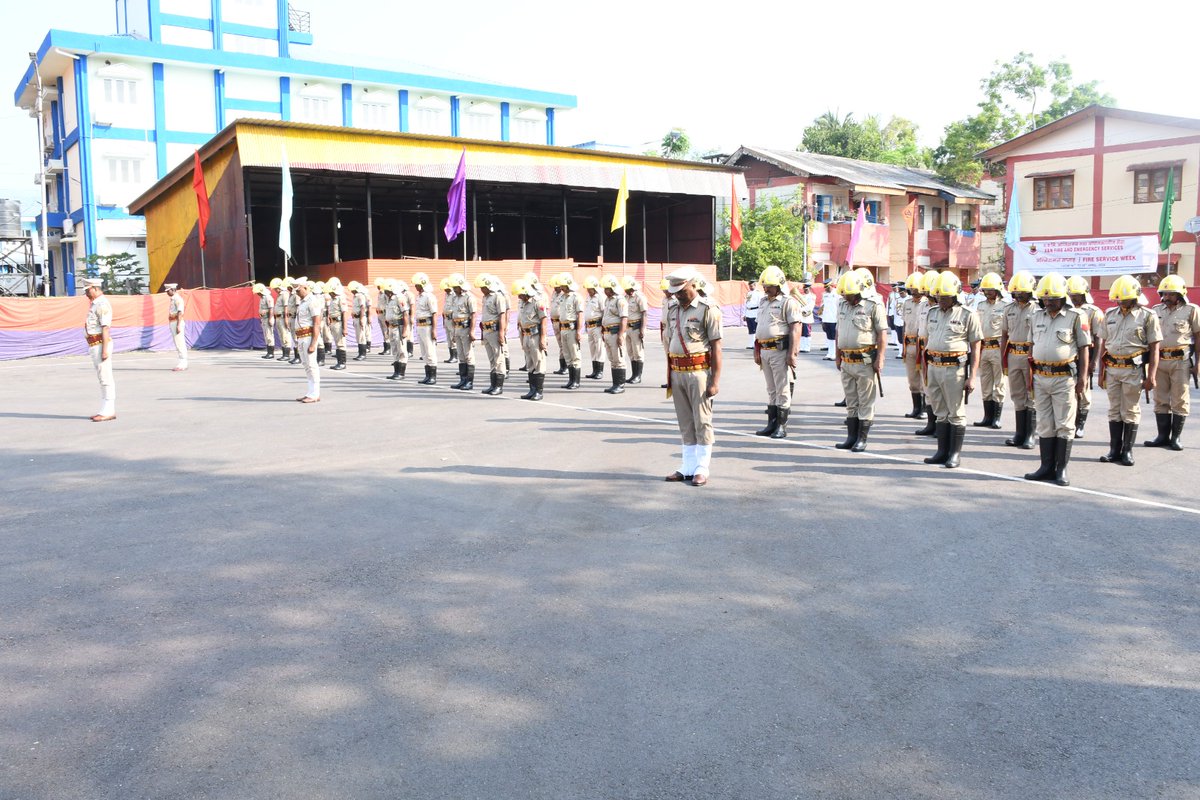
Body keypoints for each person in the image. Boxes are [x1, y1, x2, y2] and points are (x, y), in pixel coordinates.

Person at [1023, 273, 1090, 486]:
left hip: (1064, 378)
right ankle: (1045, 467)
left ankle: (1060, 469)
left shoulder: (1076, 316)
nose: (1048, 302)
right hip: (1041, 376)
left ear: (1063, 298)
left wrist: (1082, 378)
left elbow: (1083, 348)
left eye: (1052, 298)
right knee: (1045, 423)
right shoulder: (1036, 317)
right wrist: (1029, 375)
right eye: (1045, 298)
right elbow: (1031, 347)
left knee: (1064, 424)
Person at [662, 266, 723, 487]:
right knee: (685, 422)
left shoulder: (709, 308)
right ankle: (687, 466)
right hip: (677, 372)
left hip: (699, 373)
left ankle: (702, 468)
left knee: (702, 421)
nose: (677, 294)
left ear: (694, 284)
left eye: (681, 290)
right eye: (675, 291)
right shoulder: (673, 309)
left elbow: (717, 347)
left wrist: (715, 381)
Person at [1097, 274, 1161, 466]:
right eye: (1118, 299)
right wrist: (1101, 373)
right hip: (1112, 369)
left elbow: (1155, 348)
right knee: (1114, 410)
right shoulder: (1109, 315)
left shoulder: (1148, 316)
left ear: (1134, 297)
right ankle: (1114, 450)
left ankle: (1127, 451)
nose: (1121, 302)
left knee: (1130, 410)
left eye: (1124, 299)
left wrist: (1151, 376)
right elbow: (1103, 345)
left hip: (1133, 370)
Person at [921, 271, 982, 469]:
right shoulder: (932, 312)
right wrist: (925, 369)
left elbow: (976, 345)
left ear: (955, 295)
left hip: (955, 368)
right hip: (934, 367)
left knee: (955, 412)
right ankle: (942, 451)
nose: (941, 300)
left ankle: (954, 454)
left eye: (945, 297)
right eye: (938, 297)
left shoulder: (967, 314)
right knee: (940, 411)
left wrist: (972, 376)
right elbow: (925, 342)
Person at [834, 271, 888, 452]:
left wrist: (880, 358)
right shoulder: (842, 304)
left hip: (865, 361)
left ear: (858, 292)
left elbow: (882, 333)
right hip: (847, 360)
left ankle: (862, 439)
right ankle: (851, 437)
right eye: (843, 294)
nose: (845, 297)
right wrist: (837, 354)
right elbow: (838, 330)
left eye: (848, 294)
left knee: (865, 401)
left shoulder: (873, 305)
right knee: (851, 401)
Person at [1145, 274, 1200, 450]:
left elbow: (1198, 338)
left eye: (1171, 294)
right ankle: (1162, 436)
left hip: (1180, 361)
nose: (1167, 297)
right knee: (1160, 399)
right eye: (1165, 293)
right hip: (1160, 361)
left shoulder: (1192, 310)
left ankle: (1175, 437)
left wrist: (1198, 363)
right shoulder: (1156, 310)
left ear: (1181, 294)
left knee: (1179, 399)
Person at [753, 265, 802, 439]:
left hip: (780, 350)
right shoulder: (763, 301)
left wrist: (792, 353)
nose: (765, 289)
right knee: (771, 389)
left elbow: (795, 328)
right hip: (765, 349)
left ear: (779, 285)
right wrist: (756, 348)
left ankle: (781, 426)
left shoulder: (788, 302)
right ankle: (771, 424)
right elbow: (760, 326)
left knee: (782, 389)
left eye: (769, 286)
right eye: (765, 286)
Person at [1000, 271, 1038, 449]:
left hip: (1031, 355)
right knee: (1017, 395)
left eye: (1021, 292)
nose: (1017, 295)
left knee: (1032, 395)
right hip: (1013, 354)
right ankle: (1019, 433)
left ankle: (1030, 435)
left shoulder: (1038, 309)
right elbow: (1004, 334)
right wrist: (1002, 358)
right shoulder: (1009, 309)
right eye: (1015, 292)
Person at [1066, 275, 1104, 438]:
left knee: (1083, 391)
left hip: (1085, 355)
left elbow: (1099, 337)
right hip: (1069, 355)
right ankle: (1069, 422)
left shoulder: (1093, 312)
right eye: (1071, 295)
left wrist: (1094, 361)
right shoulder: (1065, 309)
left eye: (1077, 295)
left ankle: (1080, 424)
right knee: (1068, 391)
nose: (1074, 298)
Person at [972, 273, 1008, 429]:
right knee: (985, 383)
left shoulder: (1005, 306)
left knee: (999, 383)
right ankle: (987, 417)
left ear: (998, 289)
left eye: (990, 290)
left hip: (998, 347)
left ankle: (997, 418)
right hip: (984, 348)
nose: (987, 292)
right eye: (985, 290)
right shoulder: (980, 306)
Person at [82, 278, 116, 421]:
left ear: (95, 288)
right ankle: (105, 408)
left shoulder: (102, 304)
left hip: (101, 343)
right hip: (95, 343)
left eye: (88, 290)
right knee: (102, 377)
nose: (86, 294)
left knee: (105, 376)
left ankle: (108, 410)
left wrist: (105, 350)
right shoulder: (95, 304)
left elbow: (105, 327)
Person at [899, 272, 927, 420]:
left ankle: (923, 408)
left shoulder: (926, 304)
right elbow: (904, 324)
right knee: (912, 379)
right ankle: (916, 408)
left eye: (916, 290)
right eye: (912, 291)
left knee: (923, 378)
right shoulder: (907, 303)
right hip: (909, 344)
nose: (914, 293)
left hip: (922, 345)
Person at [515, 280, 548, 401]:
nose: (519, 296)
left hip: (536, 335)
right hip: (526, 335)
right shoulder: (523, 303)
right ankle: (532, 390)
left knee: (538, 362)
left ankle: (539, 391)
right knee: (530, 364)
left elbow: (544, 320)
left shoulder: (537, 302)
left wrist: (543, 338)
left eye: (520, 294)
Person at [477, 274, 510, 395]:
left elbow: (502, 315)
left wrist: (502, 332)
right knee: (491, 359)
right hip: (486, 330)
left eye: (483, 287)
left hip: (495, 330)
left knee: (498, 358)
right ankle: (493, 384)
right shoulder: (485, 298)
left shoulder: (498, 296)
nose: (481, 289)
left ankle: (499, 386)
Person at [292, 277, 322, 403]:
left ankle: (315, 394)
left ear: (305, 288)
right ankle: (310, 392)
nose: (297, 294)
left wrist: (314, 343)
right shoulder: (303, 302)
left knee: (312, 365)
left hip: (308, 336)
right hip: (301, 337)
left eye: (298, 291)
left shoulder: (312, 301)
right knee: (306, 366)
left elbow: (316, 323)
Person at [447, 273, 477, 390]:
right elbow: (454, 316)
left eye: (456, 287)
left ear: (461, 286)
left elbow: (474, 315)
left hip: (465, 328)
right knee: (461, 355)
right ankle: (463, 380)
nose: (454, 289)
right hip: (457, 328)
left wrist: (472, 331)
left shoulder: (469, 297)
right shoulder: (455, 298)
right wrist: (454, 332)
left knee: (468, 355)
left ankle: (469, 382)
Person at [600, 274, 629, 394]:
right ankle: (615, 384)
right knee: (612, 359)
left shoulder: (620, 300)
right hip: (607, 332)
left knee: (618, 359)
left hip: (615, 333)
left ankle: (620, 385)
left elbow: (624, 318)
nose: (604, 290)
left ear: (612, 288)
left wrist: (621, 335)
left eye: (606, 288)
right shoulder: (607, 300)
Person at [556, 272, 584, 389]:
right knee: (567, 355)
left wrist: (578, 331)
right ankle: (571, 380)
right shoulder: (561, 297)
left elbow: (580, 315)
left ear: (567, 285)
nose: (560, 288)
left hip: (572, 329)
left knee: (575, 355)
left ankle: (576, 381)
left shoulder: (576, 297)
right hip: (563, 328)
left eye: (562, 285)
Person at [411, 272, 439, 384]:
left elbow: (434, 313)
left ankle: (432, 376)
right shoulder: (419, 297)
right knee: (424, 352)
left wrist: (434, 329)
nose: (415, 286)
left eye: (416, 284)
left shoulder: (429, 296)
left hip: (427, 326)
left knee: (430, 351)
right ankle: (428, 375)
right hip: (420, 325)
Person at [622, 276, 648, 384]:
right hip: (628, 328)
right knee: (631, 352)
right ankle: (633, 375)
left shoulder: (639, 297)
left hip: (637, 327)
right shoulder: (625, 297)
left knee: (638, 352)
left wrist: (642, 329)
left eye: (629, 289)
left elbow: (644, 313)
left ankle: (638, 376)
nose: (628, 291)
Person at [383, 280, 410, 380]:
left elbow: (405, 314)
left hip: (399, 327)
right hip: (391, 327)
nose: (385, 292)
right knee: (394, 350)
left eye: (386, 290)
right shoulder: (389, 300)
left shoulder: (400, 298)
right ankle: (396, 371)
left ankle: (401, 373)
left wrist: (405, 330)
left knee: (401, 350)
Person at [583, 276, 606, 380]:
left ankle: (600, 371)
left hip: (598, 325)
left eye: (590, 289)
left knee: (600, 348)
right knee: (592, 348)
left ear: (595, 288)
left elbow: (604, 312)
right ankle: (594, 370)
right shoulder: (588, 297)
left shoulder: (600, 297)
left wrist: (603, 326)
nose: (588, 291)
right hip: (589, 326)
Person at [324, 277, 349, 370]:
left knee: (341, 343)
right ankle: (339, 362)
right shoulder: (332, 299)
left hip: (339, 323)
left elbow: (344, 313)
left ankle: (342, 363)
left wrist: (345, 328)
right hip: (333, 322)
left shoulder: (340, 298)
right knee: (337, 343)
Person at [164, 283, 188, 371]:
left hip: (177, 322)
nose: (167, 292)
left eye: (168, 290)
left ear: (173, 289)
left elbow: (180, 312)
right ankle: (183, 362)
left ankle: (183, 363)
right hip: (173, 322)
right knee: (178, 342)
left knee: (179, 342)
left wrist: (178, 325)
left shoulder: (178, 299)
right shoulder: (173, 299)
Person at [791, 279, 816, 353]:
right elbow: (799, 304)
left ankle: (807, 347)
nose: (805, 290)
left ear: (809, 289)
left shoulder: (812, 296)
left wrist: (801, 309)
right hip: (801, 317)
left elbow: (810, 306)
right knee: (801, 333)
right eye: (804, 289)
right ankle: (802, 347)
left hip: (807, 317)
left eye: (806, 289)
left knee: (807, 333)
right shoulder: (802, 296)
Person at [349, 280, 371, 361]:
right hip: (356, 317)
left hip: (360, 317)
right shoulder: (355, 296)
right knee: (358, 336)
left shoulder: (360, 296)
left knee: (361, 336)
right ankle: (360, 352)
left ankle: (362, 354)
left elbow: (362, 307)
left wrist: (362, 318)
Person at [270, 277, 291, 362]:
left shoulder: (285, 294)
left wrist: (286, 318)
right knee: (281, 335)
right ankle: (284, 354)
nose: (275, 290)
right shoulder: (280, 295)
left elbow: (286, 307)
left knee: (285, 335)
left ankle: (287, 354)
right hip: (278, 317)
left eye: (276, 288)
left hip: (282, 317)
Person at [818, 279, 839, 360]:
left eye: (827, 287)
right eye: (825, 287)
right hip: (826, 319)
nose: (826, 289)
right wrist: (822, 320)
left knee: (834, 337)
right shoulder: (824, 295)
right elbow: (822, 308)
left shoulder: (837, 294)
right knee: (829, 337)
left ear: (831, 285)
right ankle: (829, 353)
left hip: (834, 319)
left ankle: (834, 354)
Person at [254, 282, 274, 359]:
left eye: (258, 292)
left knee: (269, 335)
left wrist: (270, 318)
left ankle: (271, 353)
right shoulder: (262, 298)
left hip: (267, 318)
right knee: (266, 336)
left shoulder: (268, 297)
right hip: (264, 318)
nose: (257, 294)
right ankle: (268, 352)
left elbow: (271, 308)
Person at [440, 278, 458, 364]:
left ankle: (455, 356)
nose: (445, 290)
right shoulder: (446, 295)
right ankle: (451, 355)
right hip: (446, 318)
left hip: (452, 319)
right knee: (448, 337)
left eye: (446, 289)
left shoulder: (454, 295)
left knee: (453, 336)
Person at [743, 280, 765, 347]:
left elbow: (760, 304)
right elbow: (746, 304)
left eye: (751, 286)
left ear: (755, 285)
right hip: (748, 313)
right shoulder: (748, 293)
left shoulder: (759, 293)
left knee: (755, 329)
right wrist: (744, 314)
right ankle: (751, 344)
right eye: (749, 286)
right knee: (750, 329)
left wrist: (760, 314)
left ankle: (756, 344)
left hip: (755, 312)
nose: (750, 287)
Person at [374, 277, 391, 356]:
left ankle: (388, 348)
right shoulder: (379, 293)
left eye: (378, 286)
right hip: (380, 314)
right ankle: (386, 347)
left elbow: (388, 304)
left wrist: (387, 315)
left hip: (384, 314)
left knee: (386, 331)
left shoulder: (384, 293)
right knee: (383, 331)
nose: (377, 287)